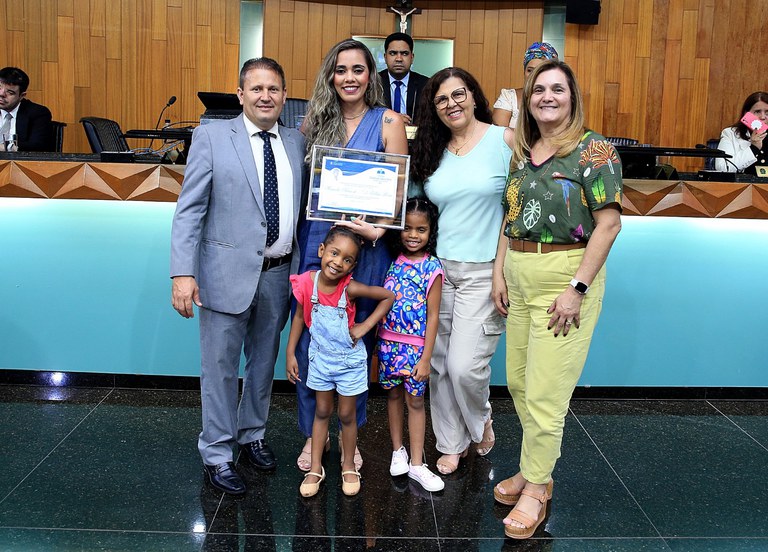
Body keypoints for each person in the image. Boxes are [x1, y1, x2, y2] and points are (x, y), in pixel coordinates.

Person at [490, 60, 622, 539]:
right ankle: (534, 469)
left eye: (557, 89)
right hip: (519, 273)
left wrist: (576, 289)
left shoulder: (594, 150)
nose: (547, 96)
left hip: (564, 279)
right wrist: (499, 271)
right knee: (520, 383)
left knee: (546, 393)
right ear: (527, 99)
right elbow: (510, 217)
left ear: (572, 97)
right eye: (538, 89)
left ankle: (536, 487)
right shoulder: (524, 152)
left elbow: (609, 224)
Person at [170, 57, 306, 495]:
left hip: (278, 274)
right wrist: (183, 273)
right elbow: (189, 210)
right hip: (223, 274)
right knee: (220, 368)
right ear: (240, 94)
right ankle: (216, 452)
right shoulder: (211, 137)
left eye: (274, 89)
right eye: (257, 88)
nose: (266, 96)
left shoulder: (296, 142)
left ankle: (252, 435)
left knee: (263, 363)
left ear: (284, 96)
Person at [293, 38, 408, 473]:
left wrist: (380, 229)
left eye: (358, 69)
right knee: (312, 342)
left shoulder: (389, 121)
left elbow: (398, 190)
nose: (349, 78)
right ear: (331, 76)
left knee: (353, 344)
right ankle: (313, 434)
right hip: (318, 244)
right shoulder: (314, 121)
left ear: (370, 75)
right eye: (341, 70)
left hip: (366, 249)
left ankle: (349, 438)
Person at [410, 67, 514, 475]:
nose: (451, 104)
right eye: (441, 100)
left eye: (458, 94)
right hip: (439, 271)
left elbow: (515, 211)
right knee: (438, 365)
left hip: (484, 271)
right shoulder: (432, 149)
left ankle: (480, 418)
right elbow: (413, 205)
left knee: (464, 367)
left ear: (473, 96)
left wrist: (500, 271)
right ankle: (450, 444)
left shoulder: (504, 141)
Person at [286, 226, 395, 497]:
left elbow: (388, 297)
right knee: (322, 411)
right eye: (334, 253)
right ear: (321, 250)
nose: (337, 263)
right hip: (321, 361)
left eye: (347, 259)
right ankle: (316, 468)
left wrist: (365, 326)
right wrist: (290, 353)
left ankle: (348, 465)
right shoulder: (307, 282)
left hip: (349, 364)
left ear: (353, 266)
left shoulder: (350, 287)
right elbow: (299, 317)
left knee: (347, 414)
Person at [378, 198, 445, 493]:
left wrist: (426, 357)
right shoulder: (391, 261)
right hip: (388, 345)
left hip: (416, 350)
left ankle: (417, 463)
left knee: (415, 402)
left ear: (431, 232)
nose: (413, 235)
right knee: (392, 396)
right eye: (407, 228)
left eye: (421, 229)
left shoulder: (432, 267)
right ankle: (398, 451)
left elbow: (433, 316)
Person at [491, 42, 559, 129]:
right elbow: (498, 133)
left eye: (540, 71)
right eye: (530, 70)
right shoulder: (509, 97)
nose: (533, 75)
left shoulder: (557, 100)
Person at [378, 32, 430, 125]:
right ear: (385, 57)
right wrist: (393, 120)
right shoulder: (374, 83)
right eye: (393, 53)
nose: (399, 59)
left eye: (404, 53)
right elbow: (366, 116)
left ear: (412, 57)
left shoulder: (426, 85)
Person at [0, 67, 53, 152]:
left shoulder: (38, 113)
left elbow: (38, 146)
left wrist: (7, 147)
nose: (1, 94)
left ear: (22, 96)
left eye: (10, 92)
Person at [715, 91, 768, 173]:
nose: (763, 117)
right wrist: (753, 148)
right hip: (742, 181)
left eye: (767, 112)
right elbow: (723, 168)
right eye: (757, 112)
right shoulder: (730, 134)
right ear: (746, 113)